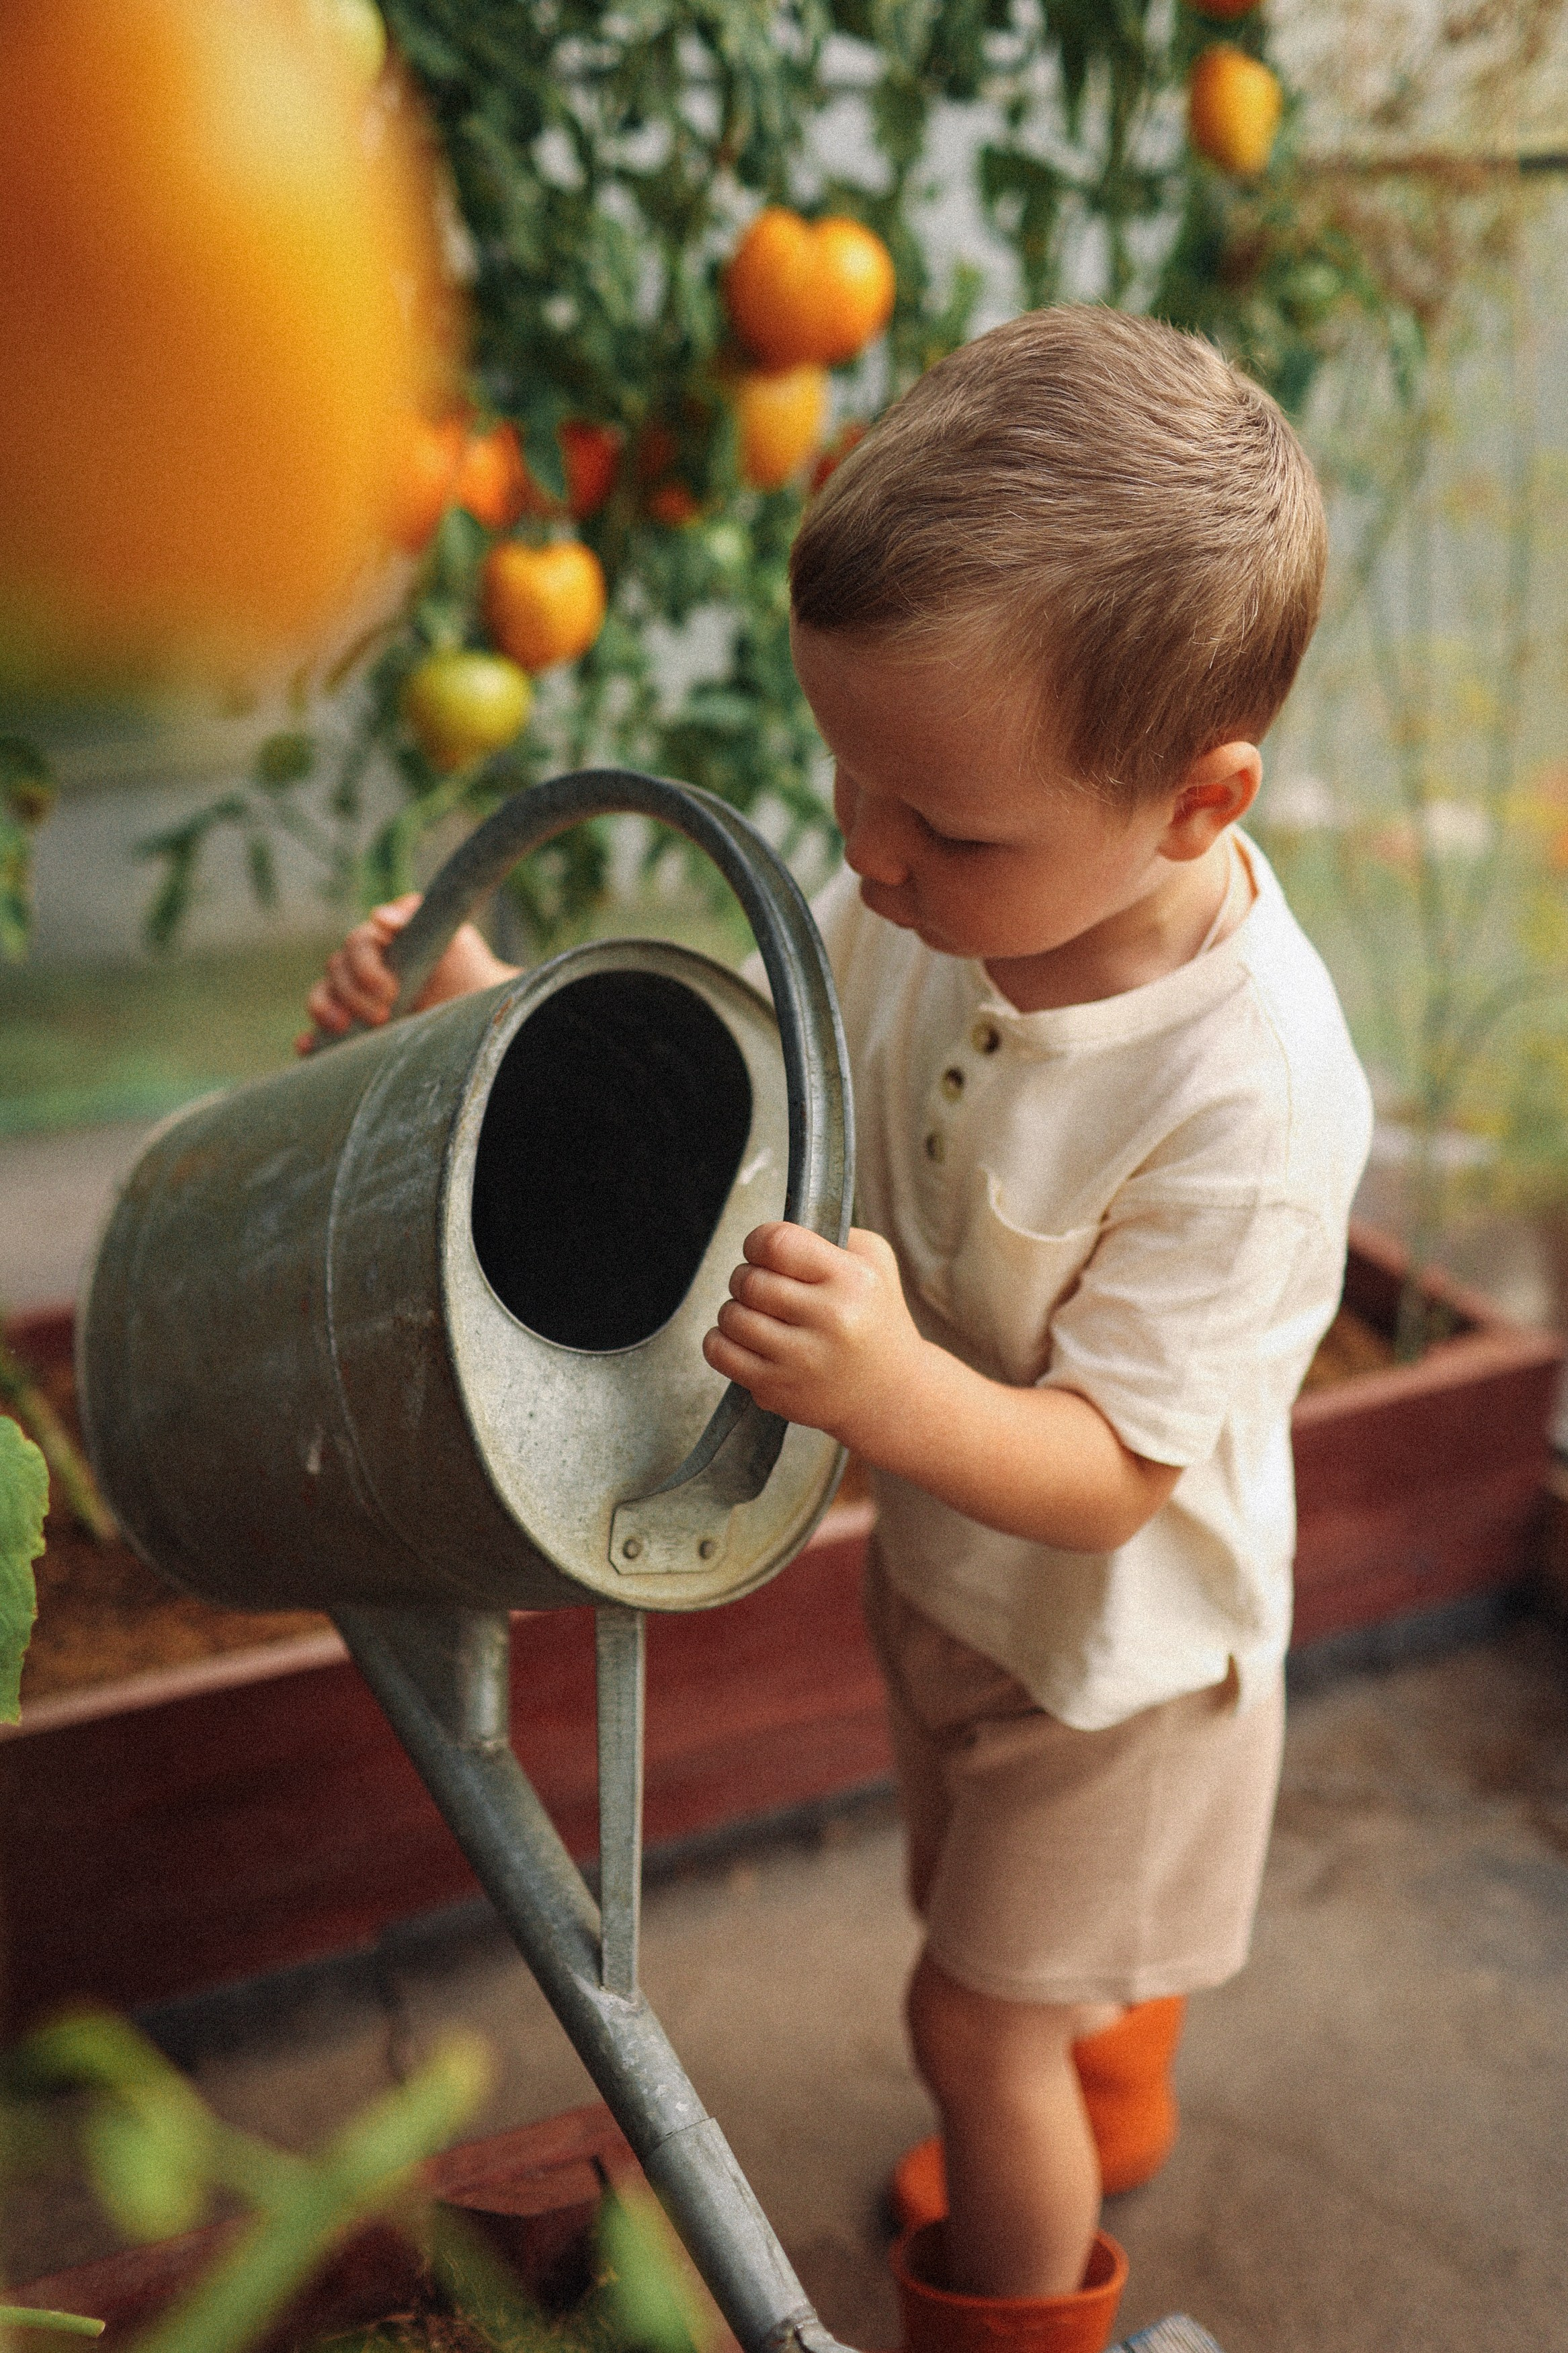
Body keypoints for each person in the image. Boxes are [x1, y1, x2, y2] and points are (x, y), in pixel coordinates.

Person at [305, 306, 1372, 2353]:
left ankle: (1019, 2299)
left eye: (944, 828)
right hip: (963, 1602)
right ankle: (1102, 2047)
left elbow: (1119, 1475)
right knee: (991, 1934)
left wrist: (890, 1389)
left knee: (970, 2023)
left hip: (1123, 1668)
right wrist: (485, 1001)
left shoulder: (1250, 1101)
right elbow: (758, 1083)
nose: (866, 863)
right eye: (844, 780)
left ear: (1193, 798)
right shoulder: (926, 883)